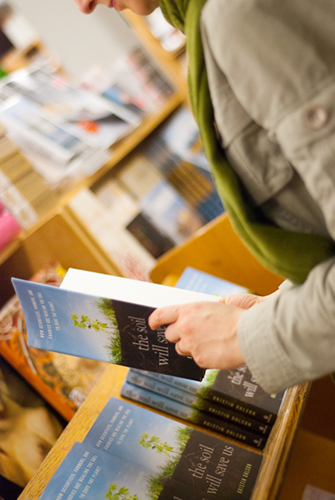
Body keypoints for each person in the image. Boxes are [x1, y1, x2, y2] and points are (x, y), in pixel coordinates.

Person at [73, 0, 335, 394]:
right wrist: (280, 304)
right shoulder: (213, 21)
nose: (83, 6)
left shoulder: (239, 15)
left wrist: (246, 335)